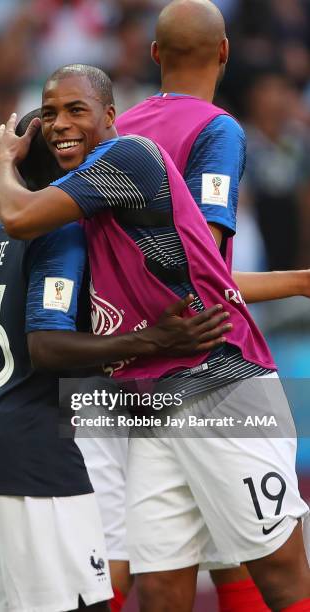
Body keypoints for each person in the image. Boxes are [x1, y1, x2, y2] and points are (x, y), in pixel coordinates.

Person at [0, 65, 310, 612]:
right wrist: (301, 282)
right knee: (160, 585)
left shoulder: (127, 158)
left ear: (110, 116)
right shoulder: (91, 203)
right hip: (150, 405)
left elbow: (16, 217)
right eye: (48, 113)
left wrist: (1, 158)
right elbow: (202, 275)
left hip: (221, 390)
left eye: (75, 110)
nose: (59, 124)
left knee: (276, 571)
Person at [0, 108, 233, 612]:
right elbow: (46, 345)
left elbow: (10, 326)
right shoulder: (62, 233)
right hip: (33, 453)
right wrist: (151, 341)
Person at [87, 1, 310, 608]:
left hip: (142, 384)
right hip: (218, 372)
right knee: (282, 564)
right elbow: (201, 262)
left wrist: (295, 280)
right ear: (225, 52)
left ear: (155, 55)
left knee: (167, 577)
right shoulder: (219, 129)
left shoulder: (117, 133)